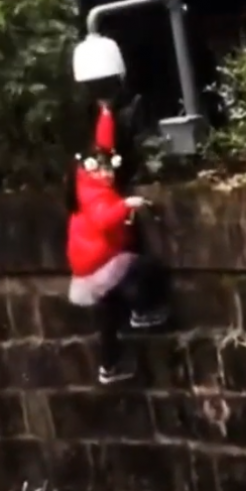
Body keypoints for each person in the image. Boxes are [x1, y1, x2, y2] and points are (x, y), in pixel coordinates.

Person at [66, 104, 171, 384]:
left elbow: (103, 145)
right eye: (102, 170)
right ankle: (143, 312)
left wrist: (106, 114)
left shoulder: (87, 183)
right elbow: (103, 219)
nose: (108, 174)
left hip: (87, 265)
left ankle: (109, 364)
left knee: (109, 309)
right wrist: (127, 204)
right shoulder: (94, 194)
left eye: (109, 168)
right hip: (101, 261)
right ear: (89, 171)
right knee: (145, 268)